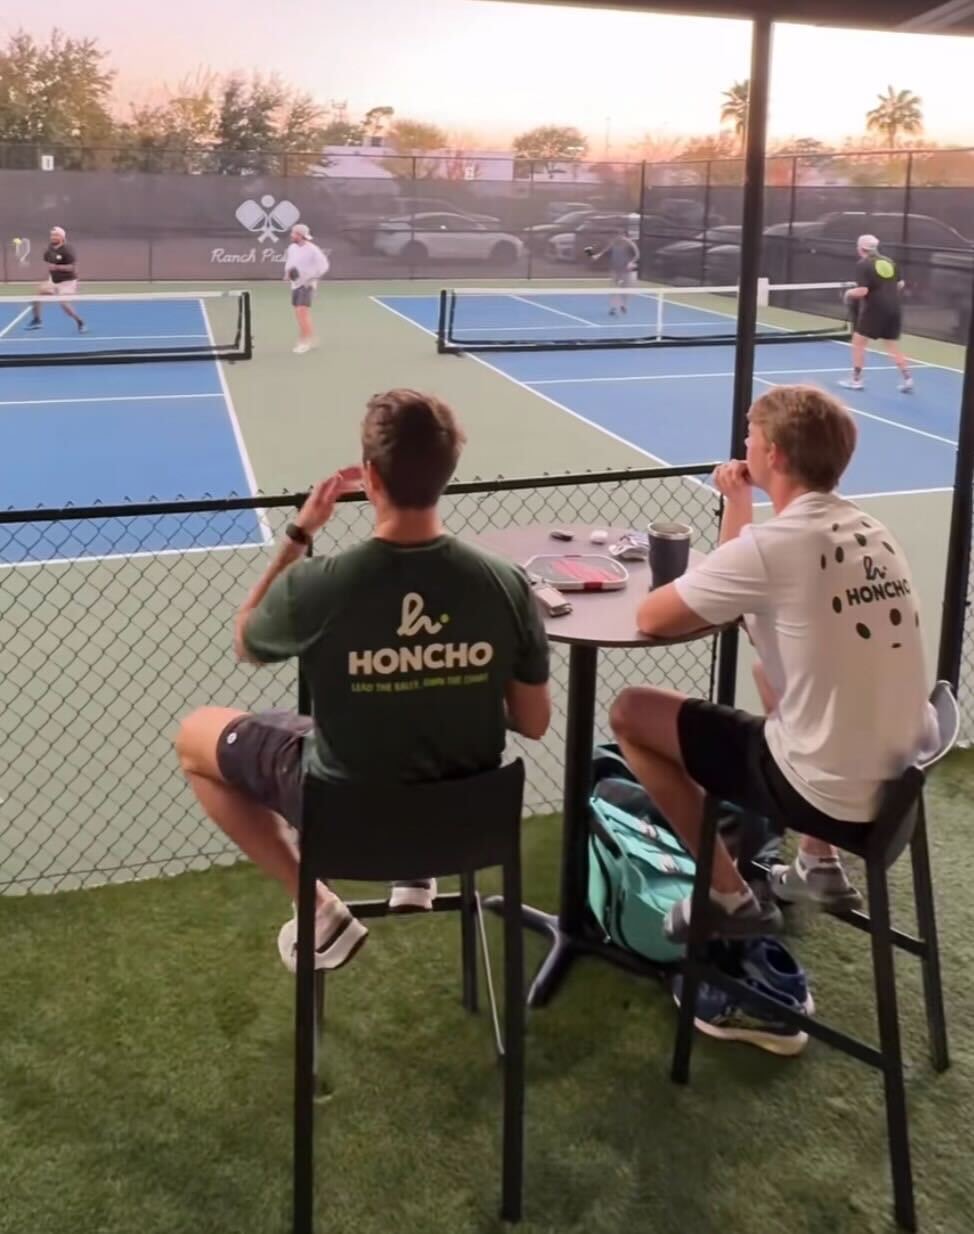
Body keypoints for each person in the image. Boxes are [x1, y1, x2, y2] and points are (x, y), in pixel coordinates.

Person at [175, 389, 551, 972]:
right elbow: (534, 721)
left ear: (370, 477)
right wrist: (448, 682)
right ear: (447, 471)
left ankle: (317, 905)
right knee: (407, 720)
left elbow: (245, 639)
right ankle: (415, 870)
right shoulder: (506, 584)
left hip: (344, 817)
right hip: (462, 821)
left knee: (194, 737)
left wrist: (299, 535)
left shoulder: (317, 586)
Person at [609, 384, 937, 943]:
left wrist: (735, 516)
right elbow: (748, 585)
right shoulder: (871, 532)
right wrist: (740, 504)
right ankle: (818, 861)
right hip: (895, 782)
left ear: (775, 454)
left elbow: (654, 616)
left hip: (830, 792)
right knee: (768, 673)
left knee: (631, 712)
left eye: (750, 436)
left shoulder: (775, 547)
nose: (745, 444)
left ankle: (726, 896)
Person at [839, 233, 913, 394]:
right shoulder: (890, 262)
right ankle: (907, 378)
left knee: (858, 342)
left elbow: (862, 291)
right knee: (891, 344)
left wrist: (848, 293)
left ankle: (856, 380)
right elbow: (900, 284)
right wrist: (886, 291)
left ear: (861, 248)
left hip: (875, 309)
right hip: (894, 308)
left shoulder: (863, 264)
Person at [25, 226, 86, 333]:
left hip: (67, 282)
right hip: (53, 281)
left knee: (64, 305)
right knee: (36, 298)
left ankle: (80, 322)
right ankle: (37, 321)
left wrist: (57, 267)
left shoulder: (68, 250)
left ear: (62, 237)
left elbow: (72, 267)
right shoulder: (50, 248)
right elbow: (49, 262)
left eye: (56, 235)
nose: (53, 237)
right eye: (52, 235)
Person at [283, 222, 329, 355]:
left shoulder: (313, 249)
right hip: (295, 284)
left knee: (302, 313)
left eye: (294, 233)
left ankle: (304, 342)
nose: (291, 235)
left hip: (306, 285)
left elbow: (324, 266)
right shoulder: (292, 247)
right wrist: (287, 273)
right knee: (300, 315)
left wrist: (312, 279)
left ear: (300, 235)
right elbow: (290, 263)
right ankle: (311, 339)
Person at [589, 229, 640, 316]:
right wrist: (598, 255)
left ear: (625, 235)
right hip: (615, 270)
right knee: (613, 289)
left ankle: (624, 305)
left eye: (621, 235)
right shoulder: (614, 243)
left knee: (625, 289)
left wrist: (631, 262)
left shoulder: (630, 244)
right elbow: (605, 250)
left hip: (625, 271)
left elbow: (637, 255)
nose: (619, 236)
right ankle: (613, 308)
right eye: (618, 235)